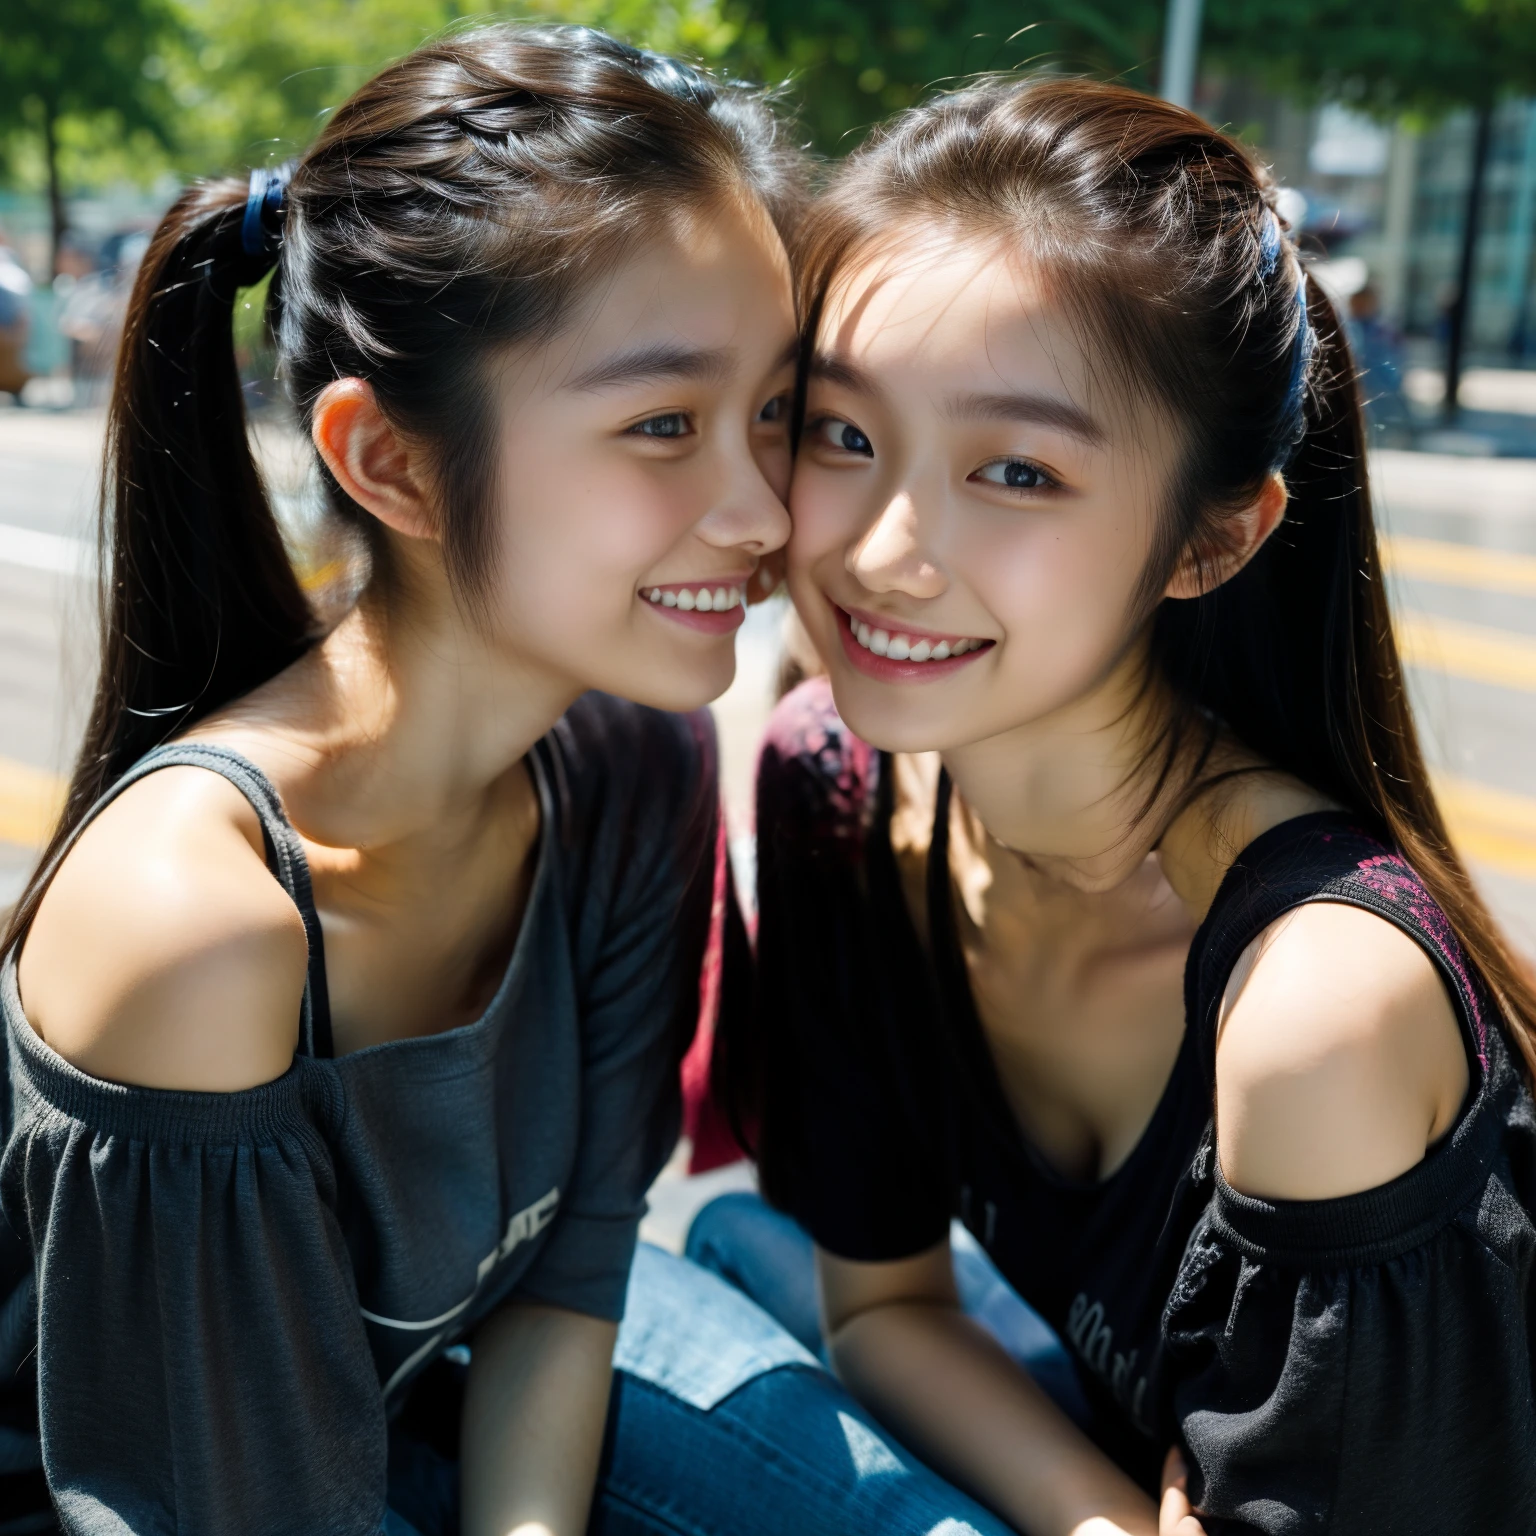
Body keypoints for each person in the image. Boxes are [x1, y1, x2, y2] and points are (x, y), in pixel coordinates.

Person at [696, 77, 1536, 1534]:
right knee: (724, 1238)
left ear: (1212, 540)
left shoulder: (1315, 1009)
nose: (890, 552)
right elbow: (884, 1301)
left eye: (1016, 470)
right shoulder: (835, 788)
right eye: (842, 435)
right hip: (1119, 1456)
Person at [0, 26, 803, 1535]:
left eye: (772, 408)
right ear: (394, 466)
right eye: (662, 426)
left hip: (412, 1408)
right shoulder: (200, 927)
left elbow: (567, 1289)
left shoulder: (637, 762)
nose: (763, 506)